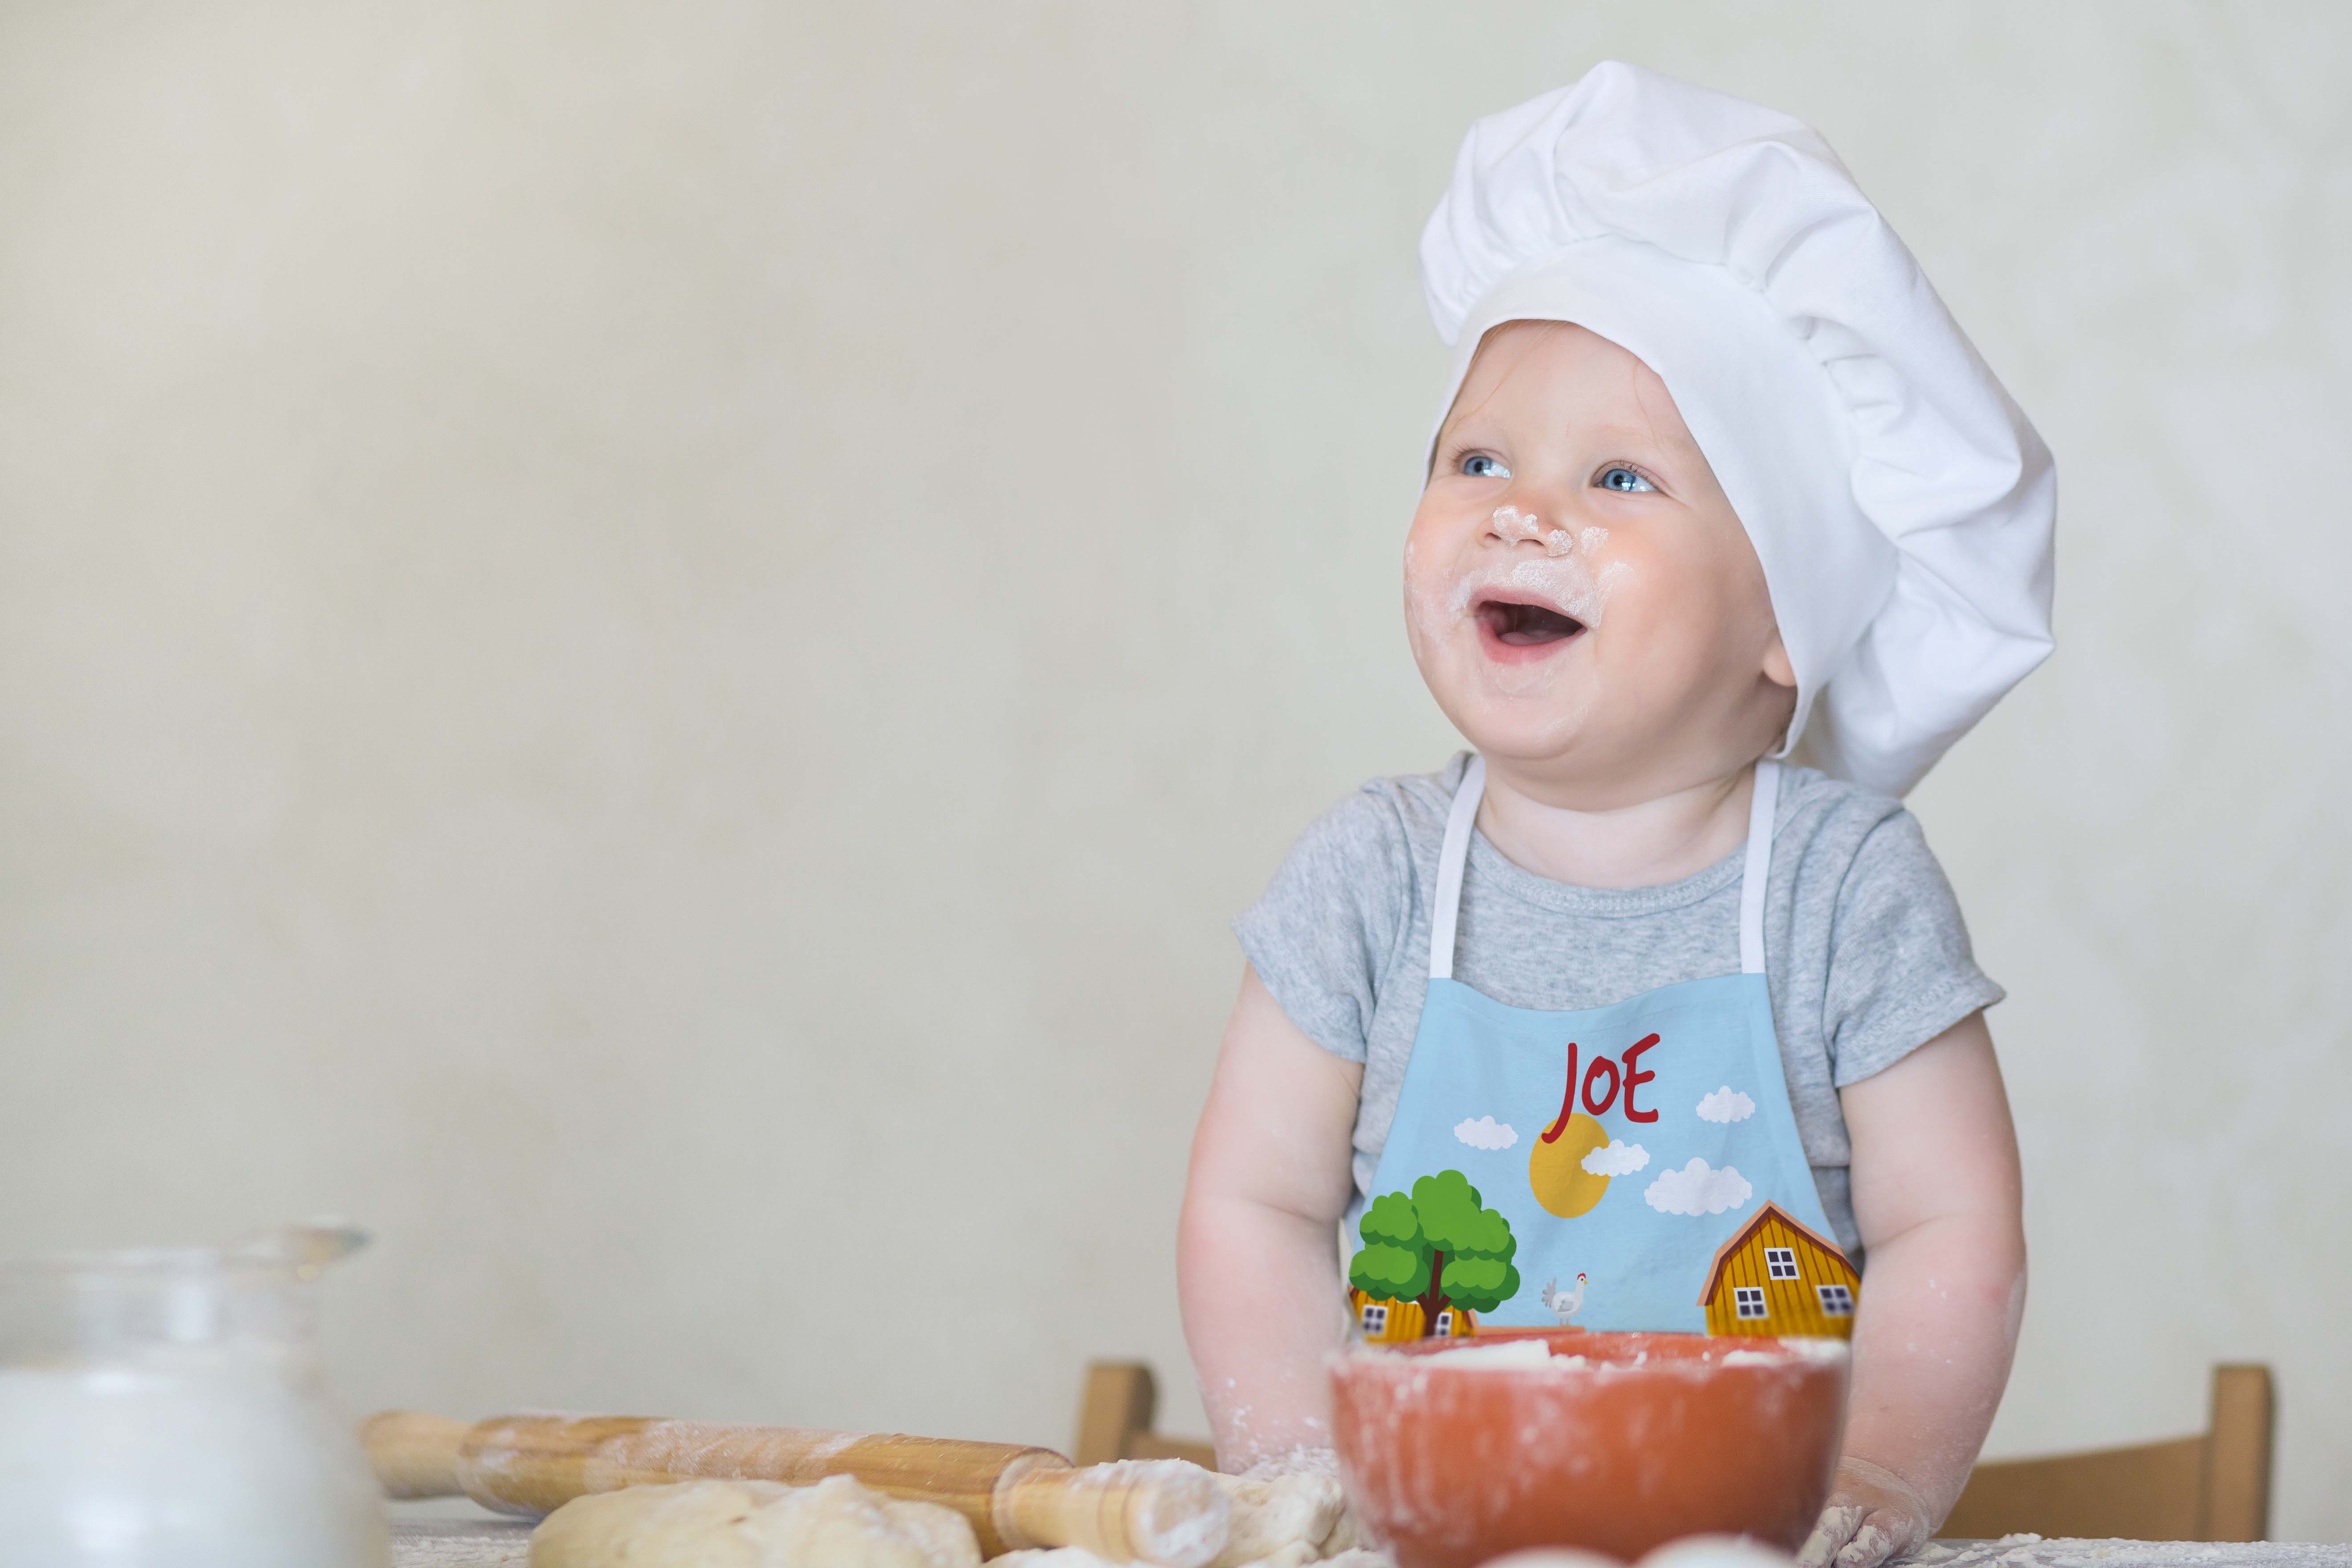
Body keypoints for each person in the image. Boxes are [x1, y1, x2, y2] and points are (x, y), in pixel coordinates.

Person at [1178, 62, 2053, 1568]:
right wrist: (1293, 1470)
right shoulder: (1372, 876)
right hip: (1428, 1539)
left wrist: (1884, 1481)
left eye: (1619, 476)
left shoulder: (1839, 889)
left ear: (1786, 616)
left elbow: (1948, 1227)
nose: (1522, 510)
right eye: (1477, 460)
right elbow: (1252, 1199)